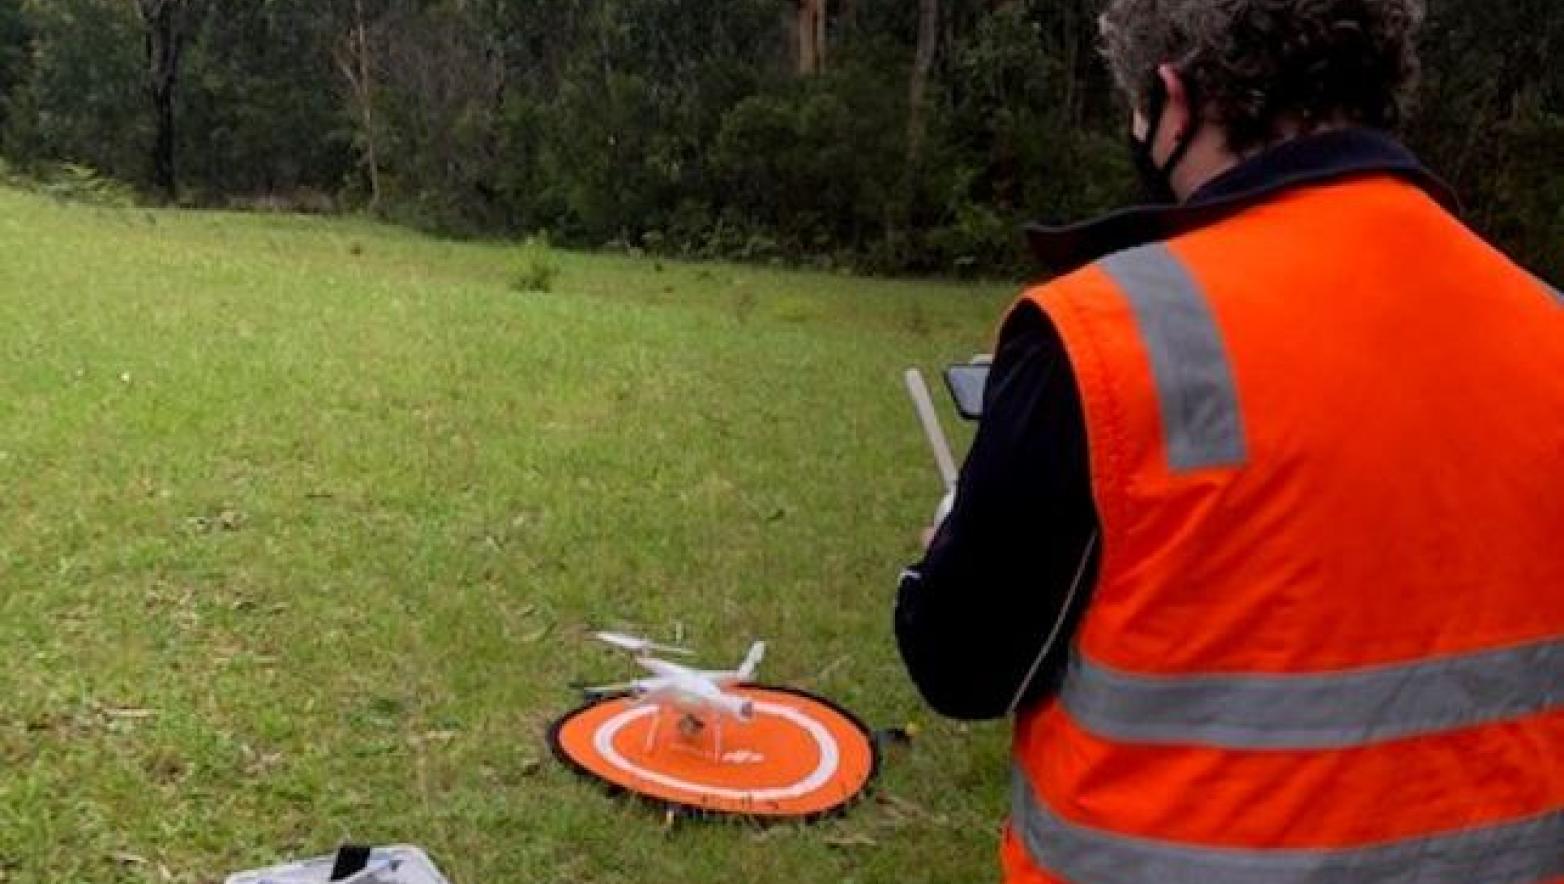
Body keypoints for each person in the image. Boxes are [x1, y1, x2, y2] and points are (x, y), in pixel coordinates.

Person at [893, 0, 1564, 880]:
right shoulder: (1547, 329)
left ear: (1173, 100)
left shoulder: (1102, 335)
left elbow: (965, 666)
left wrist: (950, 549)